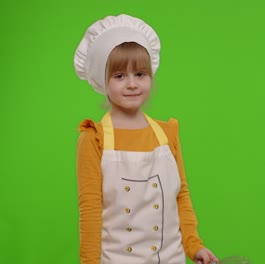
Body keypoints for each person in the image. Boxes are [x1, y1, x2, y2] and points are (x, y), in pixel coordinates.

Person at [74, 14, 218, 264]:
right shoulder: (93, 139)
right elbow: (90, 210)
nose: (132, 84)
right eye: (119, 76)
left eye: (140, 74)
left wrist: (194, 245)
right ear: (103, 80)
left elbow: (180, 195)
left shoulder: (167, 133)